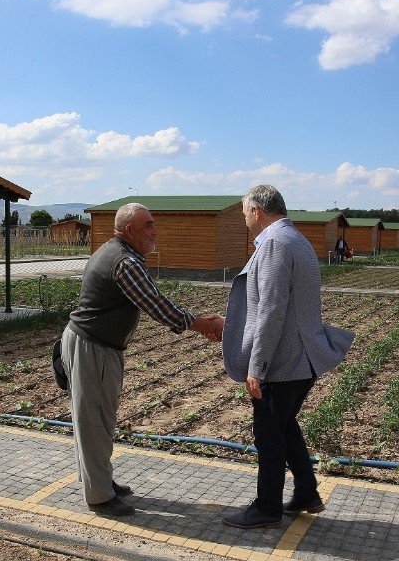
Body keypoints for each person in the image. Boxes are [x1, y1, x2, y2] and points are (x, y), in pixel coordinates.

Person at [61, 203, 224, 517]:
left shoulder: (115, 251)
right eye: (148, 225)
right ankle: (99, 496)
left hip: (96, 344)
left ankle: (100, 481)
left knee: (99, 419)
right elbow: (159, 307)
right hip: (92, 346)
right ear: (130, 231)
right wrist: (205, 325)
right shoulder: (124, 262)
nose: (154, 231)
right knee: (93, 420)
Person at [221, 185, 354, 529]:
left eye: (244, 213)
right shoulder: (296, 238)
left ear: (257, 212)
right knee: (284, 426)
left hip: (283, 361)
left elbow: (271, 310)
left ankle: (267, 507)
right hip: (304, 358)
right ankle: (307, 492)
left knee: (268, 433)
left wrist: (257, 366)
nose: (244, 219)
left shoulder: (275, 243)